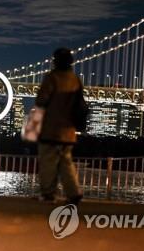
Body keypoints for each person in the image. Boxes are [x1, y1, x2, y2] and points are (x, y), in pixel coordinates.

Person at [35, 48, 83, 204]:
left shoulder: (52, 78)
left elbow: (41, 100)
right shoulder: (75, 80)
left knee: (48, 161)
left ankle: (48, 193)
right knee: (66, 162)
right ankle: (74, 193)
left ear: (56, 61)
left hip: (51, 129)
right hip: (69, 131)